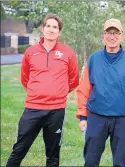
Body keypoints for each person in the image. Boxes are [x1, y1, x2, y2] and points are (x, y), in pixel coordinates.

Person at [6, 13, 79, 167]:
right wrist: (37, 92)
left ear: (59, 32)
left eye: (55, 27)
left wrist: (58, 93)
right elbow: (25, 78)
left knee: (53, 156)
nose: (51, 30)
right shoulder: (31, 52)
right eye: (48, 26)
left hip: (56, 111)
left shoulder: (68, 53)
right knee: (18, 150)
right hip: (32, 109)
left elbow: (74, 80)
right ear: (43, 28)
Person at [76, 18, 125, 167]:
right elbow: (84, 90)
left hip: (122, 120)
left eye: (116, 32)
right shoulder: (93, 60)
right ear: (104, 35)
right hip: (96, 117)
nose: (112, 36)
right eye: (109, 32)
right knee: (90, 161)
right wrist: (83, 116)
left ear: (121, 35)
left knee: (120, 162)